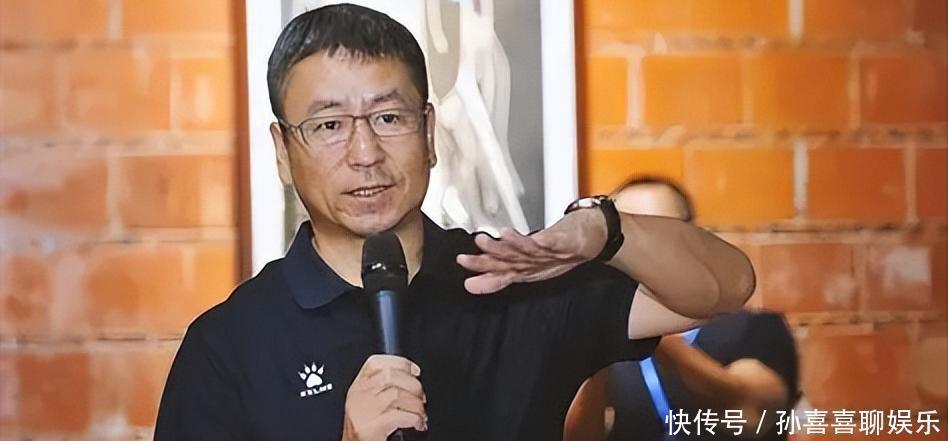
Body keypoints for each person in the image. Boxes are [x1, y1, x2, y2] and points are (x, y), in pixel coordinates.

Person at [154, 5, 756, 441]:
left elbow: (726, 287)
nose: (365, 153)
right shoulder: (229, 344)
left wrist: (604, 231)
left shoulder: (509, 279)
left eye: (388, 117)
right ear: (284, 152)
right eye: (329, 125)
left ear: (429, 132)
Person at [563, 176, 799, 441]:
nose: (639, 251)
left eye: (656, 231)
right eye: (622, 237)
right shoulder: (604, 347)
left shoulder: (752, 328)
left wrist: (648, 327)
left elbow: (752, 414)